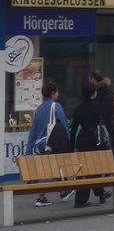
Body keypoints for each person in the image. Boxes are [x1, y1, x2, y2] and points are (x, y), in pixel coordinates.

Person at [26, 79, 69, 207]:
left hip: (39, 143)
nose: (58, 94)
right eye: (57, 92)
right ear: (52, 93)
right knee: (57, 166)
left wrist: (29, 150)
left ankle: (44, 196)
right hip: (52, 142)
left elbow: (33, 131)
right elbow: (63, 125)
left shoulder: (39, 109)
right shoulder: (56, 106)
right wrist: (70, 141)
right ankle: (63, 190)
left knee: (45, 168)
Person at [70, 83, 110, 207]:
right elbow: (102, 123)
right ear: (94, 93)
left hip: (82, 139)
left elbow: (74, 128)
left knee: (87, 169)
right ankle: (81, 199)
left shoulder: (79, 108)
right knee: (93, 169)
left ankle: (100, 192)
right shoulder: (97, 107)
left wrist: (72, 146)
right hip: (94, 139)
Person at [91, 69, 114, 146]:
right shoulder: (102, 90)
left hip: (106, 121)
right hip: (105, 120)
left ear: (93, 79)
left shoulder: (103, 91)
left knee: (109, 141)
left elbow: (106, 107)